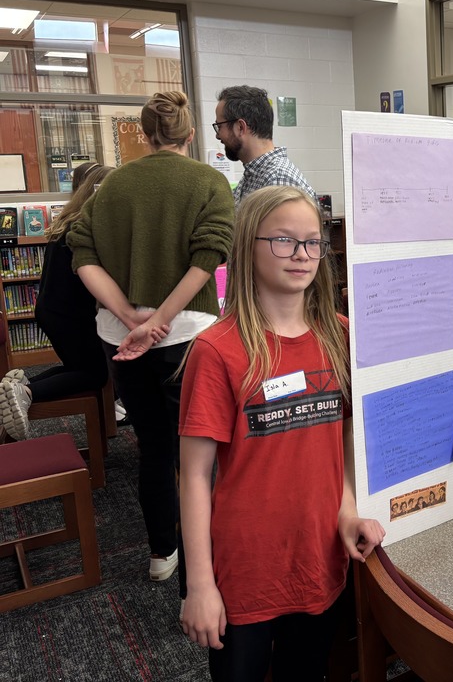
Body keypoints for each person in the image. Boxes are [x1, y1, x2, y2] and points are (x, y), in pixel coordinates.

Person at [178, 186, 384, 681]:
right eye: (284, 241)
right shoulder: (218, 350)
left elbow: (343, 443)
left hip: (317, 561)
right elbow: (193, 477)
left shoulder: (340, 335)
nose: (303, 255)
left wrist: (348, 511)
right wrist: (200, 585)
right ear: (248, 245)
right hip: (245, 571)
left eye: (313, 242)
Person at [67, 91, 234, 583]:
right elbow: (210, 257)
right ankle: (208, 562)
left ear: (144, 134)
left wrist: (130, 318)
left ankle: (162, 554)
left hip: (118, 338)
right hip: (190, 335)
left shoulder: (111, 185)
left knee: (153, 447)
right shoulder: (209, 180)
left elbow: (82, 255)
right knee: (201, 452)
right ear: (191, 133)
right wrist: (159, 321)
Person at [0, 162, 113, 440]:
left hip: (54, 310)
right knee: (97, 374)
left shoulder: (69, 219)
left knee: (78, 367)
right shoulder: (89, 226)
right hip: (71, 315)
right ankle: (27, 392)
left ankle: (22, 383)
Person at [214, 85, 316, 205]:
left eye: (219, 126)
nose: (218, 135)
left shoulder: (278, 181)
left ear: (240, 127)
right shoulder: (254, 176)